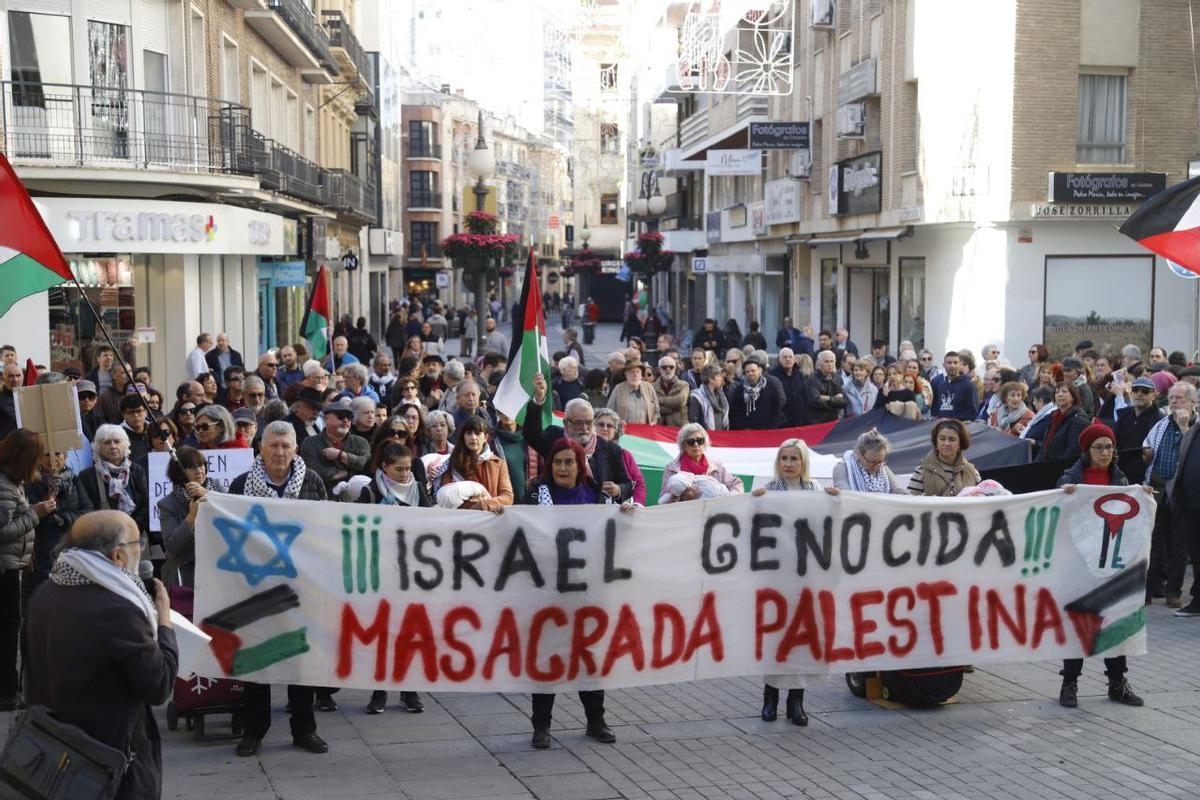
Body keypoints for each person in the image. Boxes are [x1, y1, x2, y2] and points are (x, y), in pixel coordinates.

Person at [23, 509, 178, 799]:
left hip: (51, 755)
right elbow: (159, 685)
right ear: (118, 556)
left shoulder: (44, 592)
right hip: (106, 764)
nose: (141, 553)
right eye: (138, 545)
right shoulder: (118, 610)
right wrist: (165, 624)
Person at [508, 437, 621, 748]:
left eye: (568, 462)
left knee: (589, 658)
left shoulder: (597, 495)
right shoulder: (535, 495)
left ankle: (595, 720)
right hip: (547, 592)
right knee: (547, 658)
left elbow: (617, 533)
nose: (562, 467)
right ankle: (541, 726)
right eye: (557, 462)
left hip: (588, 592)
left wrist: (626, 511)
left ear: (579, 464)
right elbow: (518, 530)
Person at [229, 422, 328, 756]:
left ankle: (304, 730)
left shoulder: (312, 481)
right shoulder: (241, 485)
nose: (280, 452)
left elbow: (323, 529)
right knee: (257, 658)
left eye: (286, 446)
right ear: (261, 447)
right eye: (273, 445)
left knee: (302, 659)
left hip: (301, 585)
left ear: (296, 449)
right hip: (257, 585)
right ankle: (254, 730)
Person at [1057, 422, 1150, 707]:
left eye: (1109, 447)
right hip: (1079, 564)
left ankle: (1117, 682)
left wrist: (1143, 498)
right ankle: (1069, 683)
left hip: (1112, 564)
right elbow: (1058, 517)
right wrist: (1064, 496)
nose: (1105, 452)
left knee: (1114, 619)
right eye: (1099, 447)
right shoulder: (1070, 479)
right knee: (1079, 622)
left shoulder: (1121, 481)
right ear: (1087, 450)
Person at [749, 439, 827, 724]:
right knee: (776, 638)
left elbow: (825, 528)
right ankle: (770, 699)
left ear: (804, 462)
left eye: (795, 458)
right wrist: (753, 502)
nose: (789, 464)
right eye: (784, 458)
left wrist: (835, 501)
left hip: (805, 577)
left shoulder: (816, 491)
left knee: (801, 641)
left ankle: (796, 703)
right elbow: (752, 528)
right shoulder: (768, 490)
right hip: (776, 578)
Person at [355, 440, 430, 715]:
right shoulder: (371, 492)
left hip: (412, 572)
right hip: (381, 572)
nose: (405, 475)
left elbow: (435, 524)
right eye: (399, 470)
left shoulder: (419, 490)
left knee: (410, 633)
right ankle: (379, 691)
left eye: (408, 468)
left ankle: (410, 691)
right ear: (384, 467)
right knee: (383, 633)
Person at [0, 430, 52, 708]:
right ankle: (7, 691)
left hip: (11, 563)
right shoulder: (5, 485)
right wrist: (35, 514)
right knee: (8, 629)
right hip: (4, 568)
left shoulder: (10, 481)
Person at [525, 375, 633, 503]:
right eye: (579, 423)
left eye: (588, 422)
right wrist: (538, 400)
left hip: (595, 514)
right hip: (557, 508)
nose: (584, 428)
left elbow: (627, 484)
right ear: (566, 423)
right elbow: (531, 433)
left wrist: (618, 489)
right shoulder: (554, 438)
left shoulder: (609, 448)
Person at [1147, 382, 1199, 611]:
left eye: (1179, 398)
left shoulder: (1195, 427)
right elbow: (1148, 445)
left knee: (1179, 543)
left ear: (1192, 402)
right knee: (1154, 540)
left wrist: (1185, 426)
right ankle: (1149, 589)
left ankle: (1173, 591)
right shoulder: (1162, 423)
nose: (1174, 402)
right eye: (1171, 398)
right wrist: (1146, 453)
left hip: (1182, 491)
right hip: (1158, 486)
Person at [157, 446, 215, 589]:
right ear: (179, 473)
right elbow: (172, 547)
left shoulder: (218, 491)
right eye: (192, 467)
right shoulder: (167, 504)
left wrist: (211, 497)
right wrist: (191, 517)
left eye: (202, 465)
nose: (199, 471)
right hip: (184, 575)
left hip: (216, 571)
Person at [430, 416, 513, 510]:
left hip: (491, 519)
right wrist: (472, 506)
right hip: (462, 520)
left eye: (478, 434)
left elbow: (507, 497)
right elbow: (446, 497)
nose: (473, 437)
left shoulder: (498, 464)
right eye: (469, 433)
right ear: (463, 437)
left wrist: (484, 504)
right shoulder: (453, 462)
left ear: (485, 437)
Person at [81, 425, 150, 536]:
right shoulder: (87, 476)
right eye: (107, 442)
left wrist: (132, 528)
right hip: (102, 536)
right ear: (99, 447)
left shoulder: (136, 470)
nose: (113, 446)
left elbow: (146, 503)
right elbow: (87, 510)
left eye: (117, 441)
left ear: (125, 445)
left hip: (134, 534)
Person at [660, 424, 745, 502]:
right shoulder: (671, 469)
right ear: (684, 445)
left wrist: (727, 499)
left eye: (700, 441)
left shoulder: (717, 466)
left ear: (704, 443)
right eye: (691, 442)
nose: (696, 444)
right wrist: (682, 498)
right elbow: (664, 501)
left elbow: (736, 484)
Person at [300, 402, 371, 493]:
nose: (346, 420)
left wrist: (340, 455)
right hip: (320, 495)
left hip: (355, 498)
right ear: (325, 419)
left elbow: (365, 465)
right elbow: (312, 470)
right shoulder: (310, 442)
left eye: (349, 417)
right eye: (340, 416)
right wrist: (346, 472)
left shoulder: (361, 442)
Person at [907, 419, 982, 496]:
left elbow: (981, 500)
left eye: (952, 439)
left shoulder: (972, 472)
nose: (946, 443)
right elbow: (911, 501)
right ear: (936, 441)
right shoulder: (922, 471)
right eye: (942, 439)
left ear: (961, 442)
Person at [1112, 377, 1162, 488]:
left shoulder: (1159, 419)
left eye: (1145, 391)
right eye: (1135, 390)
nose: (1139, 394)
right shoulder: (1124, 414)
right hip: (1120, 473)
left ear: (1154, 395)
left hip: (1144, 477)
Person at [594, 408, 647, 506]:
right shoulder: (587, 451)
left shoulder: (625, 455)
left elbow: (638, 483)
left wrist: (619, 490)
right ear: (593, 427)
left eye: (609, 426)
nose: (605, 428)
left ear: (616, 431)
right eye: (601, 424)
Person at [832, 429, 907, 493]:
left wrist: (912, 498)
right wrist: (837, 492)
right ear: (859, 454)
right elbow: (844, 493)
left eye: (880, 462)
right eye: (872, 462)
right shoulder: (842, 468)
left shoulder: (884, 469)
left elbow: (897, 490)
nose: (877, 466)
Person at [1038, 383, 1091, 463]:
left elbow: (1072, 452)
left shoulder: (1079, 419)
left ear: (1073, 396)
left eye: (1064, 391)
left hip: (1062, 469)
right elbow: (1045, 447)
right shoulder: (1054, 416)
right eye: (1057, 392)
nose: (1060, 394)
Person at [730, 353, 785, 429]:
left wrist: (772, 428)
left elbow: (776, 410)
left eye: (753, 371)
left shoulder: (771, 387)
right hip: (746, 432)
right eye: (747, 372)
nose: (750, 373)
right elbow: (734, 413)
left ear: (760, 370)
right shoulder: (739, 390)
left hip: (767, 431)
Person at [606, 360, 660, 425]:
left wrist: (654, 421)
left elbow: (656, 411)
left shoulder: (649, 387)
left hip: (645, 431)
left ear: (641, 374)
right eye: (632, 372)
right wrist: (618, 421)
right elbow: (609, 411)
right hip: (624, 431)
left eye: (638, 372)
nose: (635, 375)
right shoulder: (618, 389)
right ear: (626, 375)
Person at [930, 352, 979, 420]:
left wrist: (951, 420)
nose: (952, 365)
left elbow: (973, 413)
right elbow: (936, 410)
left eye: (955, 362)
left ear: (959, 365)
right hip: (941, 427)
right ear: (944, 365)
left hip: (959, 428)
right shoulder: (941, 386)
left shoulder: (969, 385)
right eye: (949, 363)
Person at [805, 351, 847, 423]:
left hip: (834, 422)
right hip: (817, 422)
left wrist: (828, 398)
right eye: (826, 361)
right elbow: (816, 401)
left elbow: (845, 401)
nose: (830, 364)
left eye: (832, 361)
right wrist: (835, 400)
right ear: (819, 363)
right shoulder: (811, 380)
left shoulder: (838, 378)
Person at [652, 356, 689, 427]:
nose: (668, 369)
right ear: (659, 369)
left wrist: (659, 400)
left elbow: (680, 401)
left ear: (675, 369)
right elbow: (651, 407)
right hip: (658, 427)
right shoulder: (652, 387)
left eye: (671, 367)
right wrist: (674, 408)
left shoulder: (684, 385)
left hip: (678, 428)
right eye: (664, 367)